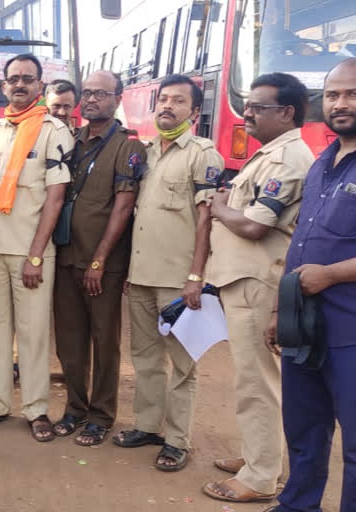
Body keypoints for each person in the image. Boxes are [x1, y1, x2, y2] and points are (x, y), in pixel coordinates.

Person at [201, 73, 313, 503]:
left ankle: (261, 477)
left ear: (286, 112)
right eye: (247, 105)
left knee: (258, 383)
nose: (247, 113)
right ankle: (258, 457)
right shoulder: (269, 155)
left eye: (258, 107)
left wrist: (220, 206)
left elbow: (252, 225)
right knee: (251, 379)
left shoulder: (286, 161)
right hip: (242, 279)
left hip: (255, 282)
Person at [112, 74, 224, 471]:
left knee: (182, 364)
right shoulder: (148, 152)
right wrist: (129, 270)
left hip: (178, 281)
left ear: (194, 112)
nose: (167, 107)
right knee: (144, 357)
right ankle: (147, 425)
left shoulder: (202, 153)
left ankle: (177, 440)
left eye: (178, 102)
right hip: (142, 274)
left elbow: (206, 218)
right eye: (163, 100)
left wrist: (196, 277)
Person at [264, 57, 356, 512]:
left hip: (350, 330)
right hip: (304, 323)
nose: (341, 103)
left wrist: (334, 274)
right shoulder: (324, 160)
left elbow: (324, 264)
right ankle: (298, 505)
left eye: (352, 93)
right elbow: (301, 238)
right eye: (333, 94)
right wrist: (280, 311)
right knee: (304, 428)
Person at [0, 54, 74, 442]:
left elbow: (55, 198)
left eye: (28, 79)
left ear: (40, 86)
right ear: (3, 86)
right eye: (13, 79)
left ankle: (36, 408)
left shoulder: (52, 130)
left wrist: (35, 254)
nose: (20, 85)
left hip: (31, 253)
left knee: (32, 333)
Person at [52, 70, 146, 446]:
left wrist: (99, 261)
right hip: (65, 255)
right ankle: (75, 407)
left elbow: (123, 208)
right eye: (86, 93)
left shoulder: (128, 147)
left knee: (104, 340)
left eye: (101, 94)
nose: (91, 100)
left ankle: (101, 415)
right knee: (69, 339)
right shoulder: (71, 140)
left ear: (118, 98)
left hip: (101, 264)